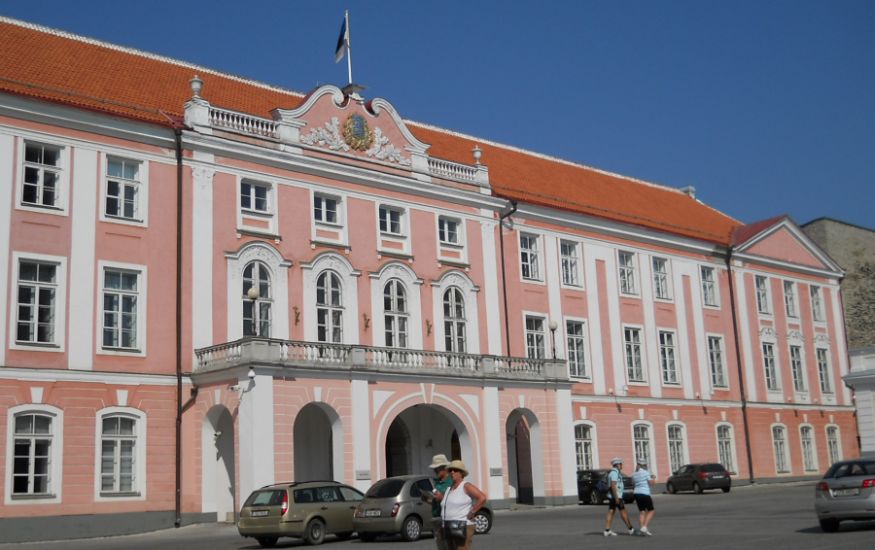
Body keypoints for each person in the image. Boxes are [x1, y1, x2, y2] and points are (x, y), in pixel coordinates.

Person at [440, 459, 487, 550]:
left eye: (455, 470)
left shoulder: (466, 486)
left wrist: (473, 511)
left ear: (461, 473)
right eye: (450, 470)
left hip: (462, 525)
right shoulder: (449, 488)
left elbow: (482, 498)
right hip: (448, 526)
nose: (452, 472)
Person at [603, 457, 636, 537]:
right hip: (616, 496)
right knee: (623, 512)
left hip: (613, 496)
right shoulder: (614, 473)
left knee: (611, 512)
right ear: (617, 465)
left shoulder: (614, 472)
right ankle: (631, 529)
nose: (622, 465)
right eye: (621, 464)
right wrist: (617, 497)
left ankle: (607, 530)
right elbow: (613, 485)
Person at [426, 453, 452, 550]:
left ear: (444, 468)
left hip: (447, 518)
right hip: (436, 517)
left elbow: (454, 499)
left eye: (436, 468)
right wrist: (428, 499)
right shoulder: (437, 482)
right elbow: (436, 500)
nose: (434, 471)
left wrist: (442, 498)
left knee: (449, 545)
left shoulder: (451, 481)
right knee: (440, 546)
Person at [631, 460, 656, 535]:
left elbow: (633, 483)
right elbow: (651, 483)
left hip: (636, 493)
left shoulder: (634, 474)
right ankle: (644, 526)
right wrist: (654, 478)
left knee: (642, 512)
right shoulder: (646, 472)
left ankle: (642, 529)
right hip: (644, 493)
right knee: (651, 510)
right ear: (644, 465)